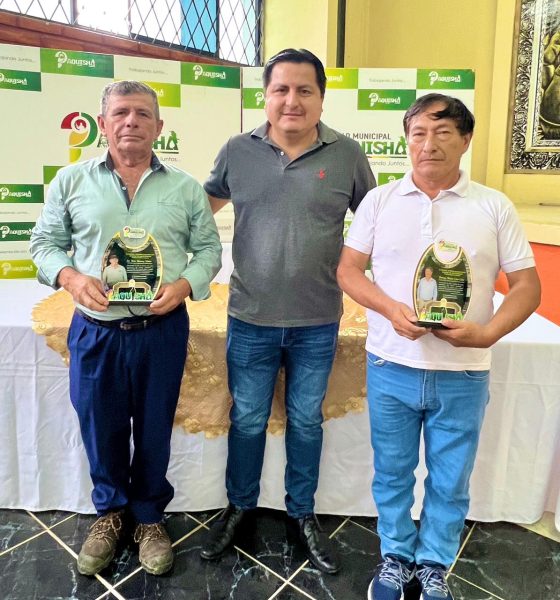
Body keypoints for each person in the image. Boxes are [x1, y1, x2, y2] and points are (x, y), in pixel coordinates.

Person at [337, 93, 540, 600]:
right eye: (418, 134)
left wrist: (487, 333)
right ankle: (394, 557)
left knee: (450, 479)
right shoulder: (379, 201)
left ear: (465, 140)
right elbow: (348, 270)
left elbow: (527, 287)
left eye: (443, 132)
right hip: (391, 363)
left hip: (464, 372)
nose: (429, 144)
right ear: (407, 141)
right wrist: (389, 309)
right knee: (392, 474)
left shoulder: (493, 206)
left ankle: (433, 565)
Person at [30, 80, 222, 577]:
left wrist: (185, 285)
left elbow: (209, 250)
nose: (131, 121)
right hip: (96, 331)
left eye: (142, 113)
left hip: (161, 331)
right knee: (101, 427)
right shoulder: (71, 181)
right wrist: (71, 278)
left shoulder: (185, 188)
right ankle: (110, 513)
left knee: (155, 427)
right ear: (103, 124)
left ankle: (150, 518)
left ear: (159, 126)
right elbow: (44, 244)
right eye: (120, 113)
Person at [200, 48, 375, 574]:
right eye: (281, 89)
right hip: (250, 318)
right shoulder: (237, 151)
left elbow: (376, 226)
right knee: (248, 419)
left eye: (305, 90)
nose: (292, 100)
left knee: (305, 420)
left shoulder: (347, 155)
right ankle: (239, 508)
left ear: (322, 98)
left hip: (318, 320)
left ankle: (302, 513)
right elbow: (196, 212)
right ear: (266, 96)